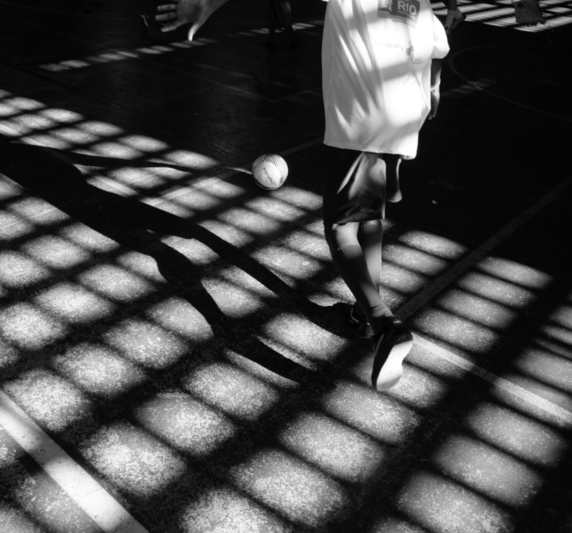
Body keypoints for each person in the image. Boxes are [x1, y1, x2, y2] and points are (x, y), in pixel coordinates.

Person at [155, 0, 449, 391]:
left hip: (361, 114)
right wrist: (433, 87)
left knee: (342, 228)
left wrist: (207, 5)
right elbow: (438, 47)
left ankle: (384, 325)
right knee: (369, 216)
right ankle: (363, 316)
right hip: (406, 109)